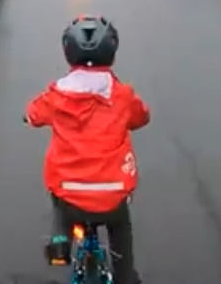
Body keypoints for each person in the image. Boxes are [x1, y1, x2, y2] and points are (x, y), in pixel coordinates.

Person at [24, 15, 151, 284]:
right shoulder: (123, 96)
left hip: (70, 193)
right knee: (120, 228)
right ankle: (125, 275)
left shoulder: (55, 96)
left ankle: (60, 242)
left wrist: (29, 116)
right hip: (112, 195)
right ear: (112, 52)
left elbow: (33, 115)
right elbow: (142, 118)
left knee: (61, 200)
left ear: (68, 52)